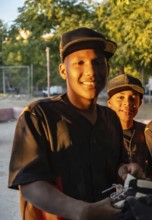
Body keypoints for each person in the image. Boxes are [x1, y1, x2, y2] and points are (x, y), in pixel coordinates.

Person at [8, 27, 143, 220]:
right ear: (63, 70)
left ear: (107, 69)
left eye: (98, 62)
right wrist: (81, 210)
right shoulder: (39, 116)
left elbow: (117, 163)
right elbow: (29, 183)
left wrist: (125, 169)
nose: (91, 71)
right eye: (80, 63)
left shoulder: (110, 118)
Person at [107, 74, 152, 180]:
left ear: (140, 103)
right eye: (120, 97)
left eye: (133, 97)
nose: (127, 103)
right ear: (109, 102)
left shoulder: (148, 133)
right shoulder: (100, 134)